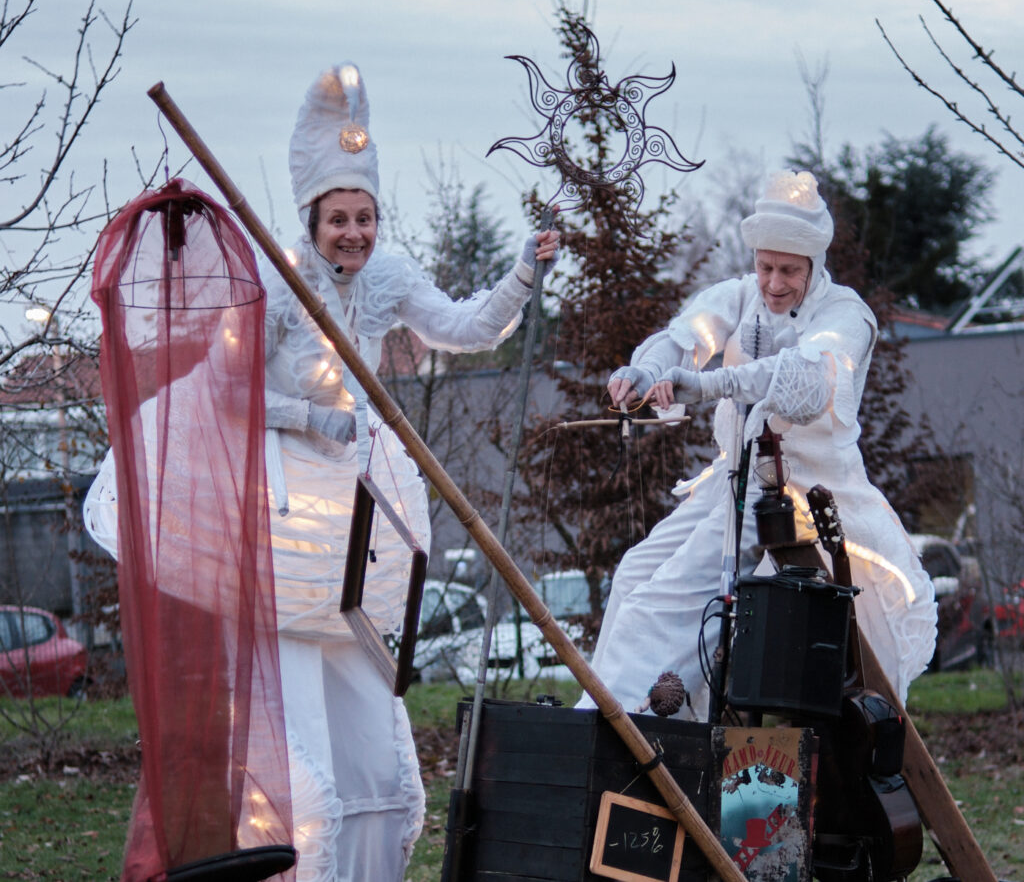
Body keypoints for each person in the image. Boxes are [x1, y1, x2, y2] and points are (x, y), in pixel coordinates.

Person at [87, 63, 558, 882]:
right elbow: (226, 396)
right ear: (313, 217)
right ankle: (290, 847)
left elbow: (465, 328)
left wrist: (523, 271)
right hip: (275, 503)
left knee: (373, 723)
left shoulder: (389, 275)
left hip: (350, 508)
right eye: (339, 218)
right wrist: (310, 416)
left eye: (365, 216)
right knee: (295, 739)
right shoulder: (271, 279)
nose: (354, 233)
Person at [579, 169, 936, 720]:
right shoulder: (741, 296)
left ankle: (612, 718)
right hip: (737, 477)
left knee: (669, 597)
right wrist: (645, 370)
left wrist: (705, 383)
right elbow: (685, 336)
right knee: (632, 573)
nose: (773, 282)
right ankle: (649, 716)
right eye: (765, 266)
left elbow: (802, 380)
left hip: (801, 490)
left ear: (813, 265)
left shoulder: (846, 314)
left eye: (788, 270)